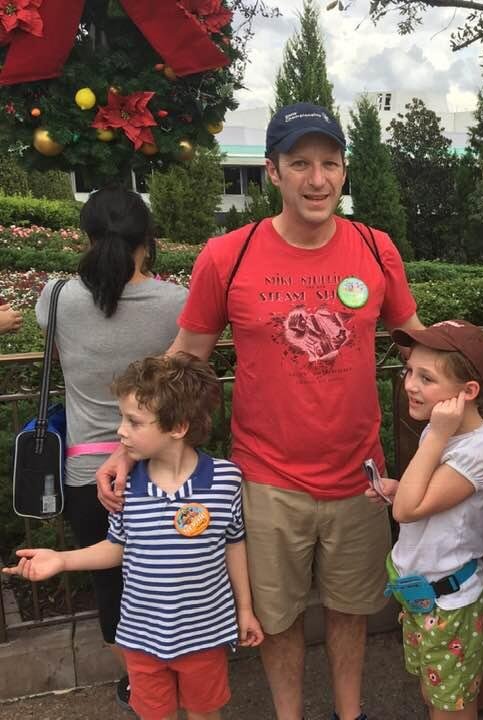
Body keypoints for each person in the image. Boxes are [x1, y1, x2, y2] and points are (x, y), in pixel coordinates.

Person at [96, 103, 422, 720]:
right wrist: (128, 444)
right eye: (300, 163)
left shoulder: (376, 249)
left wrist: (479, 379)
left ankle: (349, 714)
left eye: (330, 163)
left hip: (361, 475)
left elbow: (414, 340)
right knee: (278, 620)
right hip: (266, 478)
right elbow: (184, 357)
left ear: (344, 169)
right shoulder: (229, 255)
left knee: (351, 613)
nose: (317, 179)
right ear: (272, 171)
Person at [5, 353, 264, 720]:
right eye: (122, 418)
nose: (120, 431)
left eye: (134, 421)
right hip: (141, 637)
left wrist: (245, 610)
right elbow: (117, 547)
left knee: (205, 713)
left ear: (178, 427)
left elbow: (234, 544)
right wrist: (62, 559)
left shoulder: (225, 481)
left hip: (205, 635)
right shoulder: (125, 487)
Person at [35, 186, 187, 708]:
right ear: (148, 239)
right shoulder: (176, 304)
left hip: (88, 472)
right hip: (165, 465)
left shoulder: (56, 297)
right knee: (175, 575)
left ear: (87, 236)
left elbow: (63, 352)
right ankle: (184, 667)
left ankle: (139, 682)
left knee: (111, 582)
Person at [367, 320, 483, 719]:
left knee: (451, 708)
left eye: (426, 378)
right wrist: (398, 487)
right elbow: (421, 497)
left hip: (450, 606)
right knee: (433, 696)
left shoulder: (476, 449)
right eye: (410, 371)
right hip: (424, 597)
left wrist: (438, 436)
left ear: (468, 391)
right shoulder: (441, 430)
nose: (410, 384)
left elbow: (407, 511)